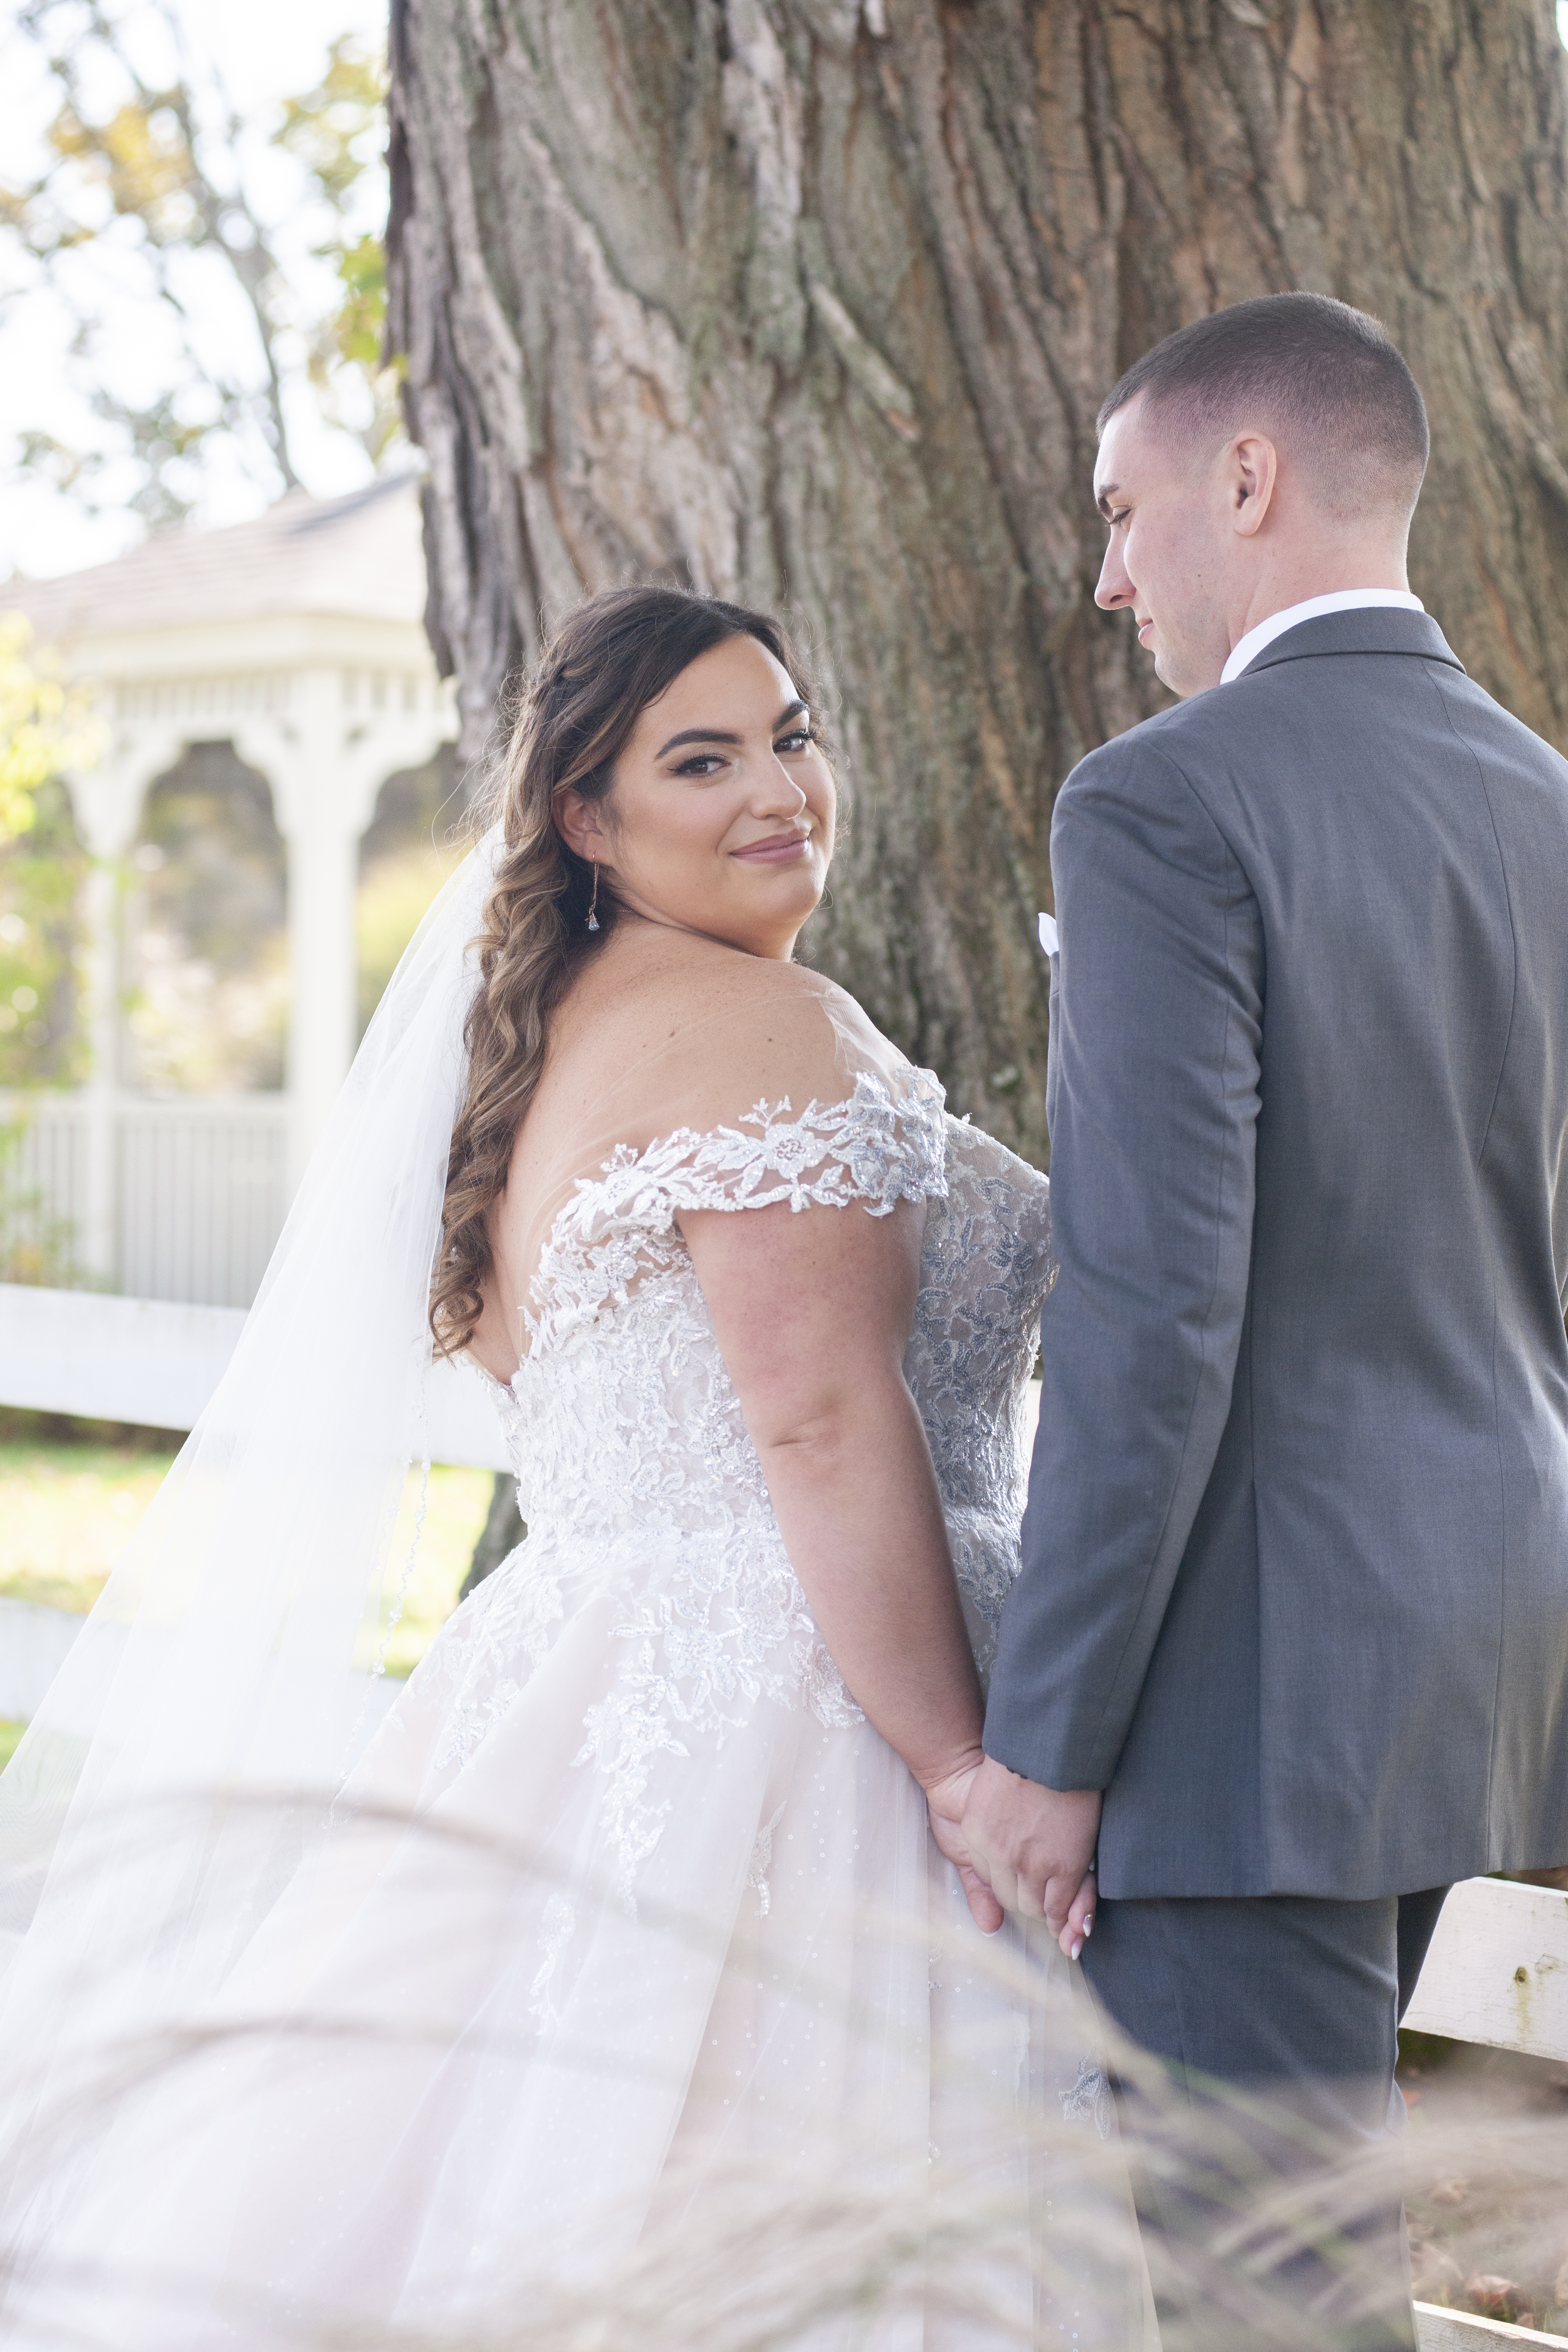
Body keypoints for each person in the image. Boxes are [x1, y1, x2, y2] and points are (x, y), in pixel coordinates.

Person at [0, 587, 1141, 2348]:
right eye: (705, 761)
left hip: (582, 1693)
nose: (780, 792)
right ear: (586, 821)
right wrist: (959, 1764)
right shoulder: (758, 1028)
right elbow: (819, 1423)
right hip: (818, 1706)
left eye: (791, 735)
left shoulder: (544, 1046)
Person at [963, 292, 1568, 2346]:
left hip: (1245, 1697)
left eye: (1126, 513)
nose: (1113, 576)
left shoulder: (1162, 804)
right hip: (1479, 1649)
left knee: (1273, 2315)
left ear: (1251, 477)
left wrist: (1049, 1750)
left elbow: (1151, 1315)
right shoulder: (1547, 806)